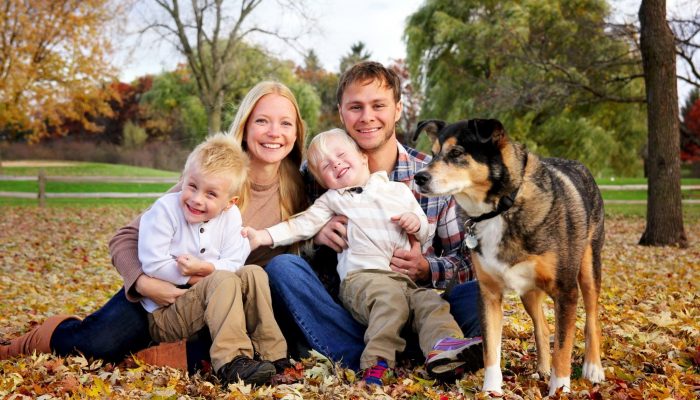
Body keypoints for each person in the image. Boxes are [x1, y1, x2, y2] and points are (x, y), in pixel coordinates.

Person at [1, 81, 308, 379]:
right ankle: (41, 337)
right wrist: (144, 283)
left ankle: (169, 356)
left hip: (224, 301)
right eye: (262, 121)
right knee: (97, 345)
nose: (274, 133)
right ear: (245, 124)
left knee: (223, 342)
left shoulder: (300, 188)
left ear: (297, 132)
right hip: (162, 291)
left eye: (285, 124)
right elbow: (124, 238)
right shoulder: (206, 180)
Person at [265, 61, 483, 378]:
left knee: (477, 293)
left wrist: (427, 267)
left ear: (396, 108)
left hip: (419, 305)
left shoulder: (431, 174)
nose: (367, 116)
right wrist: (315, 238)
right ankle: (378, 356)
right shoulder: (318, 175)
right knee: (283, 268)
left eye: (378, 105)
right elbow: (286, 237)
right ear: (342, 113)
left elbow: (467, 259)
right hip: (351, 310)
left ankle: (430, 348)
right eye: (356, 107)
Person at [137, 132, 289, 385]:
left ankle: (273, 356)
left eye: (210, 194)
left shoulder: (230, 218)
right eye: (192, 186)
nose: (197, 199)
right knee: (222, 279)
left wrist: (204, 268)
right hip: (168, 314)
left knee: (253, 273)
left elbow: (235, 261)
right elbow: (152, 264)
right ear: (183, 179)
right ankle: (231, 362)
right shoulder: (164, 210)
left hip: (209, 305)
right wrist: (200, 276)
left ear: (230, 202)